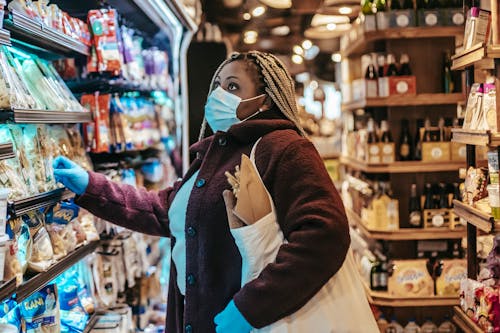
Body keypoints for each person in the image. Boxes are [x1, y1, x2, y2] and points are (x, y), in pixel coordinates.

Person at [53, 51, 352, 333]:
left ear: (264, 101)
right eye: (217, 86)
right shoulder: (214, 154)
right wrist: (90, 186)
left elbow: (325, 234)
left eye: (233, 86)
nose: (218, 95)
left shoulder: (284, 149)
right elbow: (164, 210)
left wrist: (251, 307)